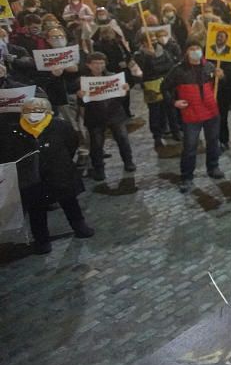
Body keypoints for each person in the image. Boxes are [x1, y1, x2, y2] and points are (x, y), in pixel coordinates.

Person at [2, 97, 93, 254]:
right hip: (32, 179)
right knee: (37, 210)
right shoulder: (15, 132)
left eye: (38, 110)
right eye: (29, 110)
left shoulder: (60, 126)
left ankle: (79, 226)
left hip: (60, 172)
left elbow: (72, 143)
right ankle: (42, 240)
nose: (33, 114)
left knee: (69, 201)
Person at [162, 43, 226, 193]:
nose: (195, 51)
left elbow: (219, 85)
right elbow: (164, 87)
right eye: (191, 49)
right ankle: (186, 177)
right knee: (190, 147)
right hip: (191, 113)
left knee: (213, 142)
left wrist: (221, 77)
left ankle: (213, 167)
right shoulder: (178, 70)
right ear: (186, 52)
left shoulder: (210, 66)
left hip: (211, 112)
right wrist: (174, 102)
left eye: (197, 49)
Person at [76, 51, 136, 181]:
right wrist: (80, 96)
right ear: (89, 65)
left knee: (123, 139)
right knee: (96, 145)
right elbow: (82, 103)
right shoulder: (83, 81)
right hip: (95, 116)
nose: (99, 66)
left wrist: (125, 91)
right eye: (96, 63)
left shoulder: (113, 77)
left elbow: (122, 99)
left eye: (102, 63)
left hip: (115, 114)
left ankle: (128, 162)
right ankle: (99, 169)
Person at [133, 34, 178, 148]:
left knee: (170, 109)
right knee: (155, 112)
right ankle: (157, 136)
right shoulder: (139, 55)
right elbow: (144, 71)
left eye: (154, 40)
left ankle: (175, 131)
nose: (153, 42)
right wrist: (150, 58)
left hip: (165, 83)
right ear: (143, 43)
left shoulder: (164, 51)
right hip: (151, 86)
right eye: (149, 40)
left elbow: (170, 65)